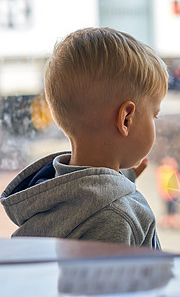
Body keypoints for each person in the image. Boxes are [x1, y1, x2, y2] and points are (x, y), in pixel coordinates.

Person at [0, 27, 168, 249]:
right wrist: (120, 191)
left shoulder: (50, 199)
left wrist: (118, 180)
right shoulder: (116, 217)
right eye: (154, 115)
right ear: (126, 118)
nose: (155, 122)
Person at [155, 157, 180, 228]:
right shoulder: (169, 171)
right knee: (172, 210)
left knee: (169, 210)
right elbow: (177, 182)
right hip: (171, 194)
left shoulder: (162, 171)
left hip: (169, 194)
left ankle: (168, 223)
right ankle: (173, 224)